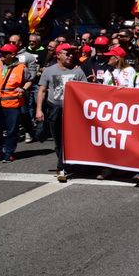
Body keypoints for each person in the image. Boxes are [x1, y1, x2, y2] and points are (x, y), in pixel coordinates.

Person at [36, 44, 87, 182]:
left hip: (72, 112)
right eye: (67, 53)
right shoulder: (49, 71)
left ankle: (61, 168)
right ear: (58, 55)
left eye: (72, 53)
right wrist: (39, 109)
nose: (70, 55)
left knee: (67, 140)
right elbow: (42, 90)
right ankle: (66, 163)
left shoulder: (78, 71)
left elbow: (86, 91)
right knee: (58, 141)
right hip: (54, 109)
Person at [0, 43, 30, 163]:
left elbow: (29, 80)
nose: (2, 55)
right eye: (1, 52)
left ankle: (9, 153)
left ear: (13, 54)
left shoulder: (21, 68)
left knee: (11, 130)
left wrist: (23, 88)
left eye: (5, 53)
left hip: (12, 104)